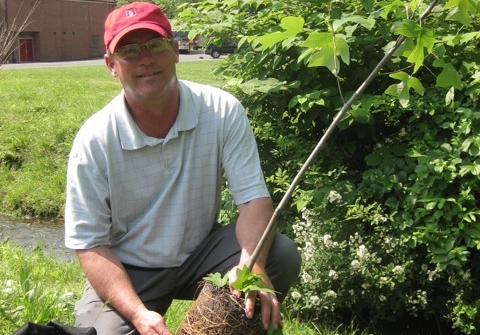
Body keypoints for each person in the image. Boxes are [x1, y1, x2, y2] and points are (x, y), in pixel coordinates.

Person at [64, 2, 301, 335]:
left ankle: (232, 326)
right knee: (101, 333)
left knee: (281, 254)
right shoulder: (95, 140)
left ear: (175, 50)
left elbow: (253, 200)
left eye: (155, 45)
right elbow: (89, 244)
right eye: (129, 50)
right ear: (111, 65)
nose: (145, 59)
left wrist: (251, 264)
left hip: (201, 255)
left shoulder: (221, 110)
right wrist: (136, 313)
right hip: (130, 266)